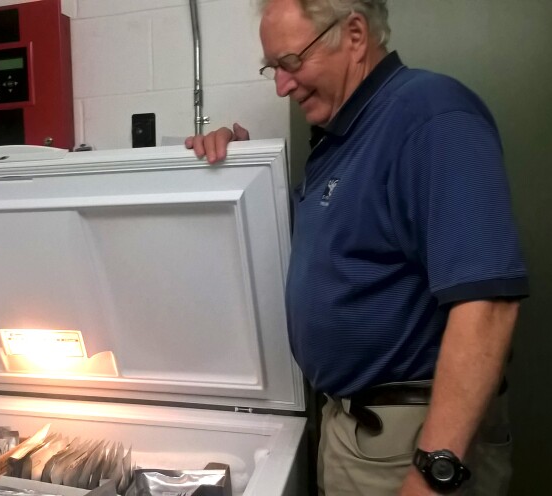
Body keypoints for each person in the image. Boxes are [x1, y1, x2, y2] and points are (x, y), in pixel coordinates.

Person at [186, 0, 529, 494]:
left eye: (290, 63)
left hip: (410, 440)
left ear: (353, 34)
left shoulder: (432, 114)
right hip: (353, 427)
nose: (282, 85)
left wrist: (433, 472)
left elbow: (488, 303)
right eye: (273, 69)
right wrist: (242, 166)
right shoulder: (340, 138)